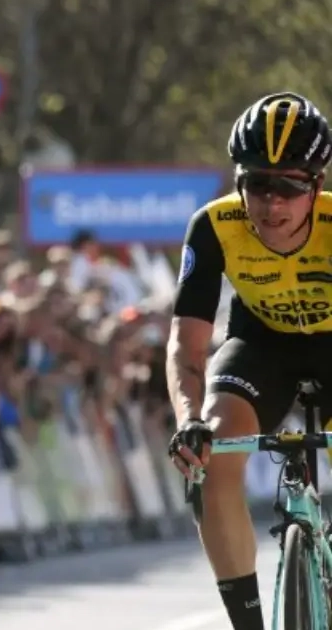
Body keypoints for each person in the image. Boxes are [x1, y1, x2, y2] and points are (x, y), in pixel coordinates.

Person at [167, 92, 332, 630]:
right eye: (258, 184)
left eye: (290, 186)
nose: (272, 203)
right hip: (262, 345)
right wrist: (188, 421)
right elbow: (186, 344)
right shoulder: (214, 226)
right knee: (211, 456)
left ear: (317, 186)